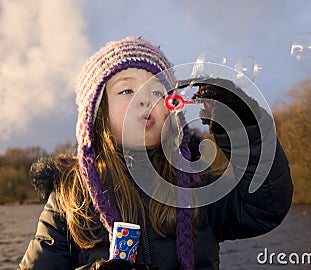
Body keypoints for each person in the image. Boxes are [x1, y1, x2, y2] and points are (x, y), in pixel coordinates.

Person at [19, 36, 293, 270]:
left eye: (157, 91)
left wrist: (247, 129)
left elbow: (265, 207)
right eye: (127, 90)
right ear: (96, 114)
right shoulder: (70, 198)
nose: (145, 99)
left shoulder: (196, 182)